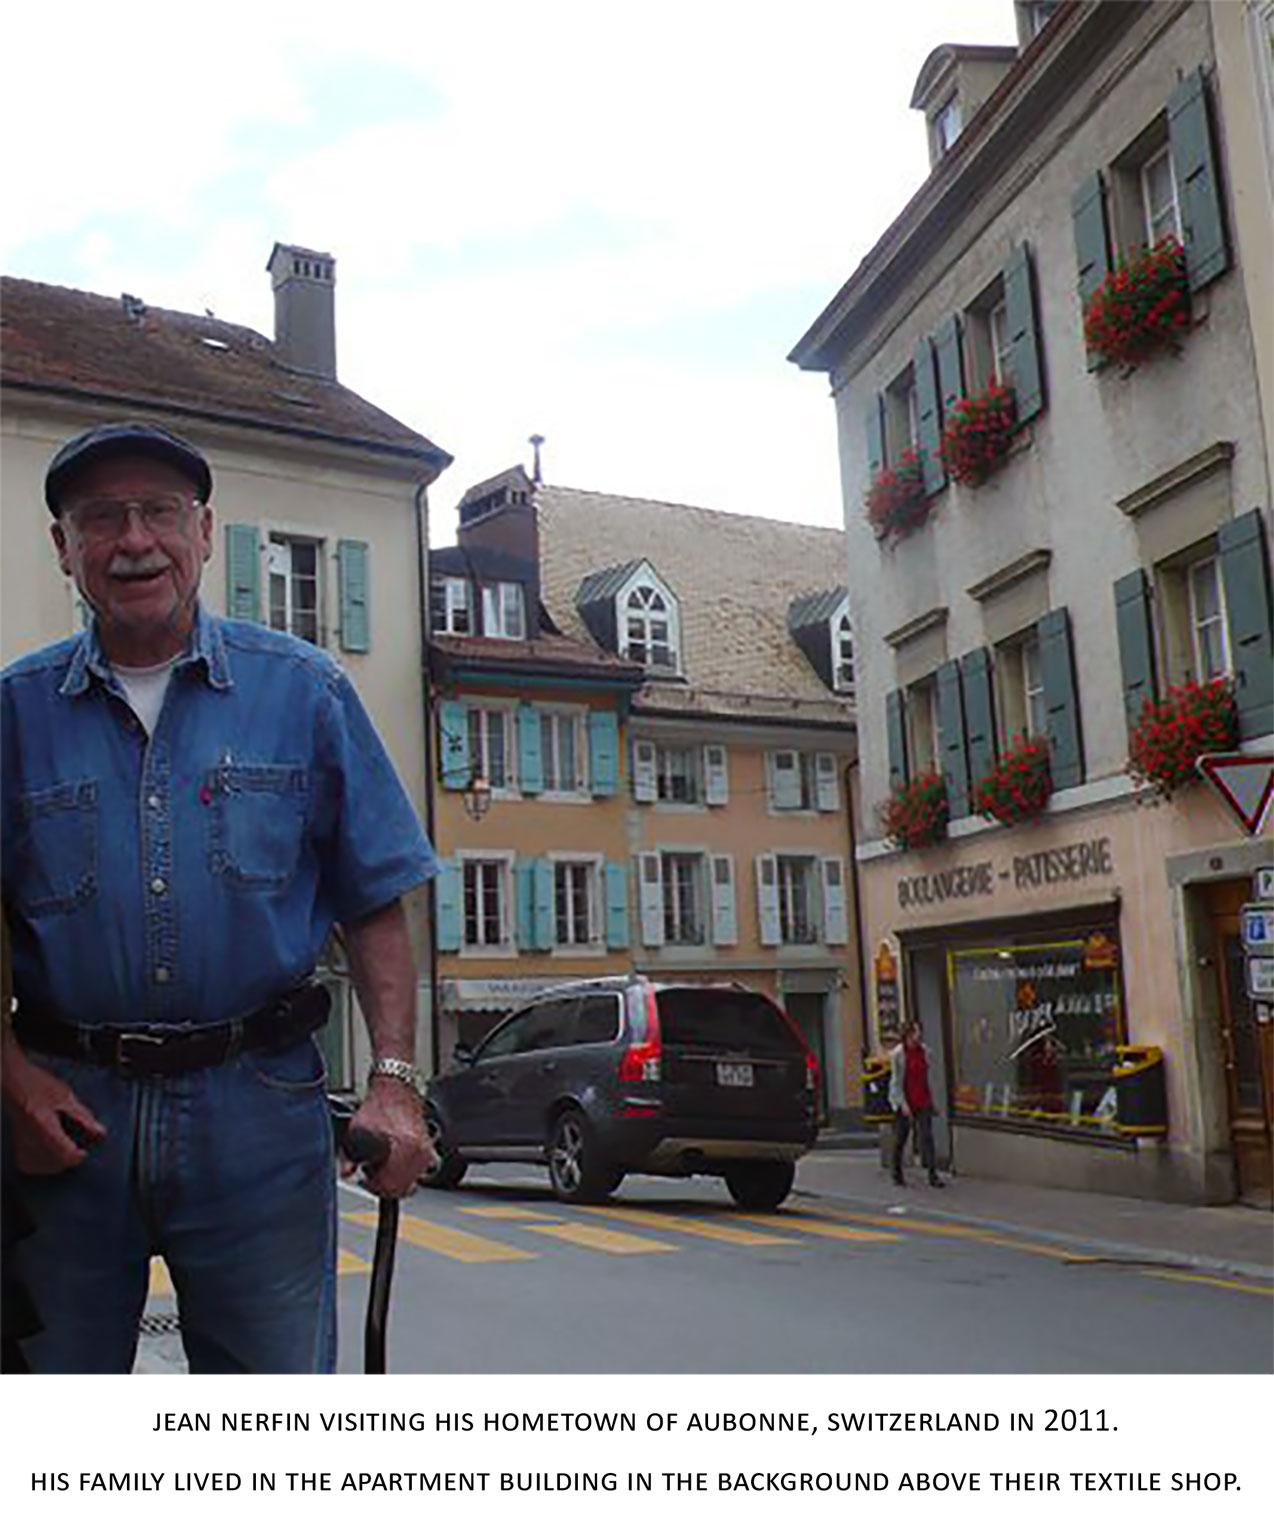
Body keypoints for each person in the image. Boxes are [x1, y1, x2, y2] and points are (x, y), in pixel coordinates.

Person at [1, 422, 440, 1373]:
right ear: (64, 548)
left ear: (203, 532)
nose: (134, 540)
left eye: (159, 512)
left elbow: (373, 899)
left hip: (259, 1113)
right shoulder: (13, 711)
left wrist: (396, 1084)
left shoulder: (307, 693)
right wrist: (10, 1079)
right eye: (101, 519)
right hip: (65, 1118)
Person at [888, 1020, 944, 1189]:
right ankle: (896, 1172)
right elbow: (896, 1081)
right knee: (901, 1137)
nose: (919, 1035)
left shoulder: (925, 1051)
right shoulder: (898, 1054)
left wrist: (933, 1101)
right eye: (916, 1032)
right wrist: (902, 1104)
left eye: (920, 1032)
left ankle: (933, 1175)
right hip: (906, 1100)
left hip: (922, 1099)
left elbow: (929, 1077)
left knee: (927, 1136)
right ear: (908, 1035)